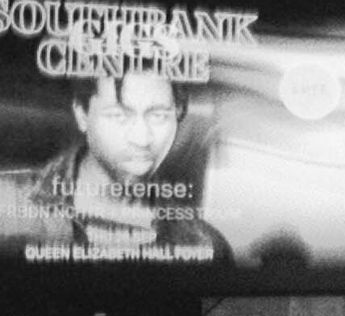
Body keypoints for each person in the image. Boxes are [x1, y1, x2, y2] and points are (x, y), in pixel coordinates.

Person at [0, 72, 227, 260]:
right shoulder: (6, 203)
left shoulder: (204, 243)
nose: (142, 138)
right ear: (81, 114)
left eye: (158, 115)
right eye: (119, 115)